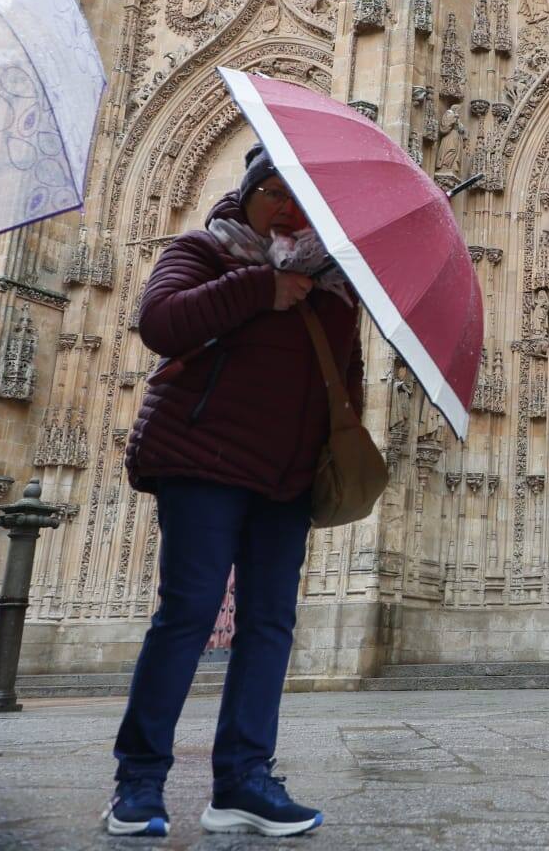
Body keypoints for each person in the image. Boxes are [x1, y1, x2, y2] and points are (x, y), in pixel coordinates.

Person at [106, 144, 362, 838]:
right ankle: (138, 783)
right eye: (275, 189)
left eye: (303, 194)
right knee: (187, 614)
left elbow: (345, 380)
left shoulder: (337, 285)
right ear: (247, 193)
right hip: (203, 461)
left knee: (270, 625)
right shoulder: (205, 250)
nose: (288, 205)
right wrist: (258, 288)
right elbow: (160, 324)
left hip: (286, 477)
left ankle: (244, 781)